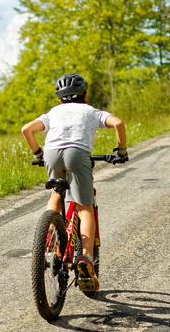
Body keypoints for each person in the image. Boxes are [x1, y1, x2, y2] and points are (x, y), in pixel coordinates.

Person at [21, 73, 128, 292]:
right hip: (78, 154)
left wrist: (39, 153)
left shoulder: (53, 112)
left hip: (51, 153)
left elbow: (26, 130)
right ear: (85, 95)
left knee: (56, 194)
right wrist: (121, 151)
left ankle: (51, 231)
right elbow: (118, 123)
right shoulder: (91, 111)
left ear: (60, 99)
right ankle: (86, 259)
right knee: (84, 208)